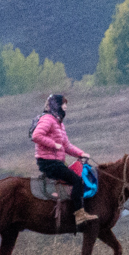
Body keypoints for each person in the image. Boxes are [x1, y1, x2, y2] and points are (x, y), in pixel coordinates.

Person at [31, 92, 95, 226]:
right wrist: (53, 144)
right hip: (49, 162)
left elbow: (66, 146)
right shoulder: (48, 119)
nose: (65, 106)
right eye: (63, 103)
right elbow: (36, 136)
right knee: (77, 181)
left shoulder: (59, 123)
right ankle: (80, 216)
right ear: (56, 105)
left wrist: (81, 153)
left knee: (77, 177)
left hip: (56, 162)